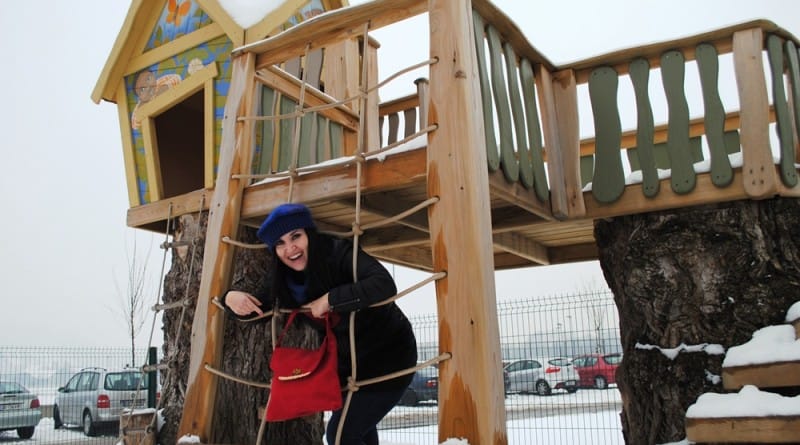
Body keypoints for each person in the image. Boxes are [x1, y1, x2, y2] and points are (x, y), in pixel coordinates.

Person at [221, 202, 418, 445]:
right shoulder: (283, 278)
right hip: (349, 368)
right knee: (357, 433)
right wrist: (230, 298)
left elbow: (383, 284)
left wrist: (330, 300)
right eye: (280, 243)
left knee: (341, 435)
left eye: (296, 236)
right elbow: (254, 310)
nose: (290, 248)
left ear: (309, 235)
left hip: (390, 358)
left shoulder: (338, 252)